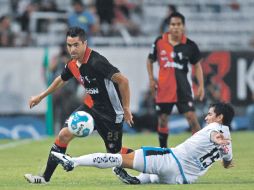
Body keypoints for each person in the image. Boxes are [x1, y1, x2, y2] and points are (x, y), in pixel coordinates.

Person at [24, 26, 133, 184]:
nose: (72, 49)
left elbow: (123, 81)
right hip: (91, 106)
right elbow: (61, 79)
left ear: (84, 43)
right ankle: (44, 178)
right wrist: (41, 96)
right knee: (63, 135)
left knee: (115, 154)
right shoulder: (72, 64)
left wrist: (126, 108)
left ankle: (145, 162)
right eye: (69, 45)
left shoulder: (97, 62)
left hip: (111, 113)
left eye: (76, 45)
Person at [51, 102, 234, 185]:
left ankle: (73, 161)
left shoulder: (215, 129)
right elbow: (227, 161)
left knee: (119, 158)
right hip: (180, 179)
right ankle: (137, 179)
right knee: (152, 175)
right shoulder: (227, 140)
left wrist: (214, 137)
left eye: (210, 114)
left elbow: (213, 134)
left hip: (171, 160)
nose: (206, 116)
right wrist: (222, 150)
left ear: (220, 117)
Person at [146, 12, 204, 148]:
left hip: (183, 88)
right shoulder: (159, 41)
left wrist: (201, 85)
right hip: (164, 88)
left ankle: (201, 149)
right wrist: (151, 79)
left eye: (178, 24)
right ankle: (163, 150)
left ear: (183, 26)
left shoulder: (190, 45)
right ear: (169, 26)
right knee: (163, 120)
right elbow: (150, 60)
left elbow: (197, 65)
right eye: (173, 24)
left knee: (192, 118)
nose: (175, 27)